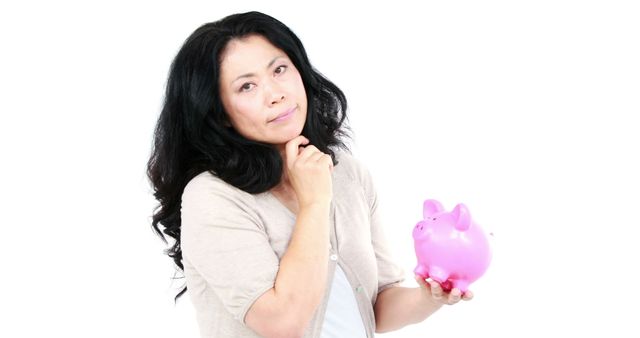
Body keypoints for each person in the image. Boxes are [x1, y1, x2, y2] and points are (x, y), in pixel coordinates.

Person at [147, 11, 472, 338]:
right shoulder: (211, 197)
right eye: (247, 86)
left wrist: (430, 296)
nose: (276, 93)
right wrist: (315, 202)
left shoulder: (347, 172)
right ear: (220, 114)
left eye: (279, 69)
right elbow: (282, 322)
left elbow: (374, 309)